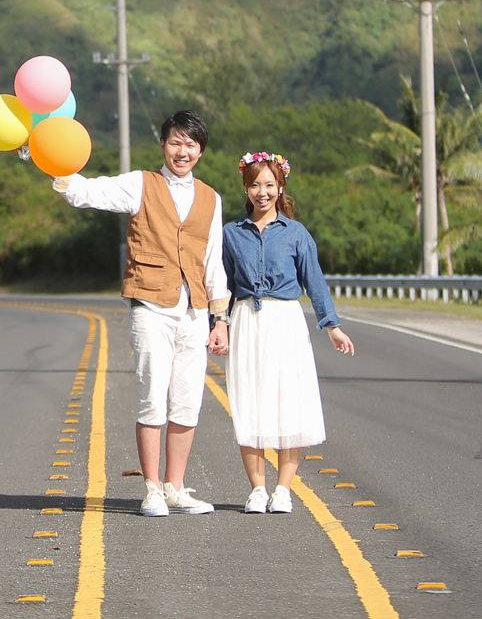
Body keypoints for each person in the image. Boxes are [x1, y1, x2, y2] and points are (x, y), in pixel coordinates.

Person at [51, 110, 229, 517]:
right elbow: (87, 192)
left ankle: (175, 488)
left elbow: (213, 260)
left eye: (190, 144)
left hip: (195, 311)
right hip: (151, 305)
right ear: (163, 145)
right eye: (175, 142)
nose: (182, 151)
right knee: (153, 396)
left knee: (187, 402)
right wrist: (51, 164)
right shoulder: (140, 184)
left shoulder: (211, 198)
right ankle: (151, 489)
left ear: (200, 150)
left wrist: (220, 320)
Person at [209, 151, 355, 513]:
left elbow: (314, 282)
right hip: (246, 320)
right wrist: (219, 324)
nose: (262, 192)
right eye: (255, 185)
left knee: (289, 402)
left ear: (280, 187)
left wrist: (332, 326)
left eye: (269, 185)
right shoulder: (230, 234)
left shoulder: (296, 234)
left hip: (286, 321)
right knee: (249, 403)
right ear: (245, 188)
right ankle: (257, 489)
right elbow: (221, 283)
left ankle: (283, 490)